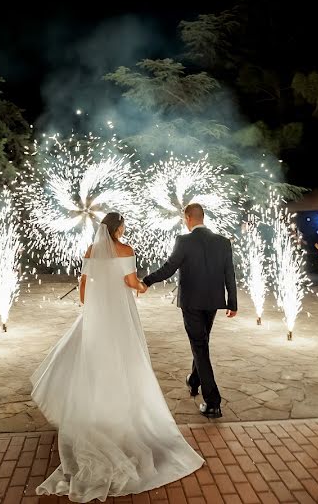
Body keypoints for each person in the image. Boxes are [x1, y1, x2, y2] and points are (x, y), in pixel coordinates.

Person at [31, 212, 204, 502]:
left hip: (96, 317)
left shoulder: (91, 251)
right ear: (118, 228)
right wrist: (142, 287)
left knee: (94, 364)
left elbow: (84, 287)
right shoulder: (126, 250)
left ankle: (96, 415)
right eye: (124, 225)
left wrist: (91, 306)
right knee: (126, 361)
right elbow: (131, 281)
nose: (125, 229)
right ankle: (123, 417)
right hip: (121, 316)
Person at [143, 203, 238, 419]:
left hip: (191, 303)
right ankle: (194, 380)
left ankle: (213, 402)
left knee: (200, 346)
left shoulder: (184, 241)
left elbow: (169, 267)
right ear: (202, 217)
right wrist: (232, 302)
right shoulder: (222, 241)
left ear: (187, 218)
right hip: (213, 302)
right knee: (201, 342)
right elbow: (229, 274)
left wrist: (147, 281)